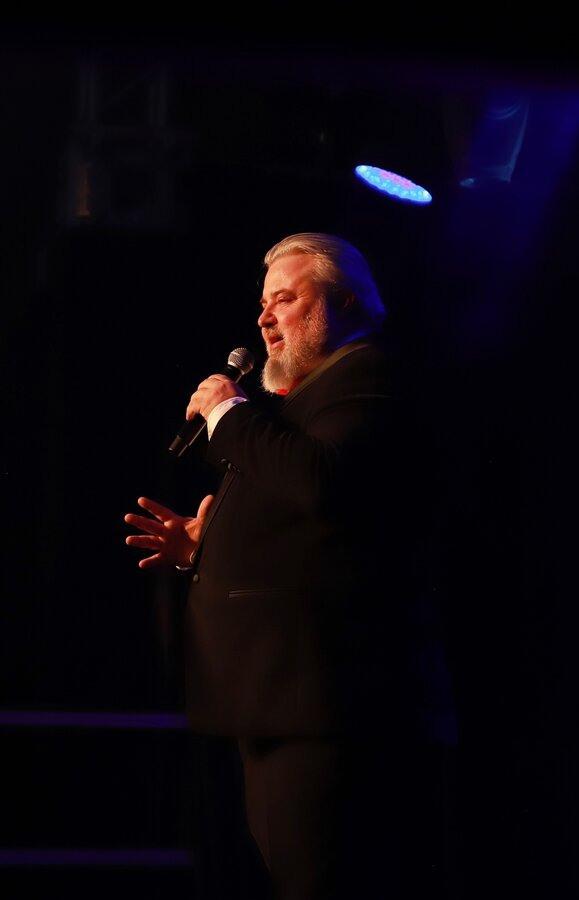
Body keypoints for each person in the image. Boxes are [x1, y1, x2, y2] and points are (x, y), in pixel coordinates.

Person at [124, 232, 459, 899]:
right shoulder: (301, 402)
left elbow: (321, 481)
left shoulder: (366, 375)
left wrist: (227, 411)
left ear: (345, 301)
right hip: (281, 707)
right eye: (261, 303)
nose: (264, 317)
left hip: (331, 709)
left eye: (284, 298)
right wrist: (204, 546)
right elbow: (309, 527)